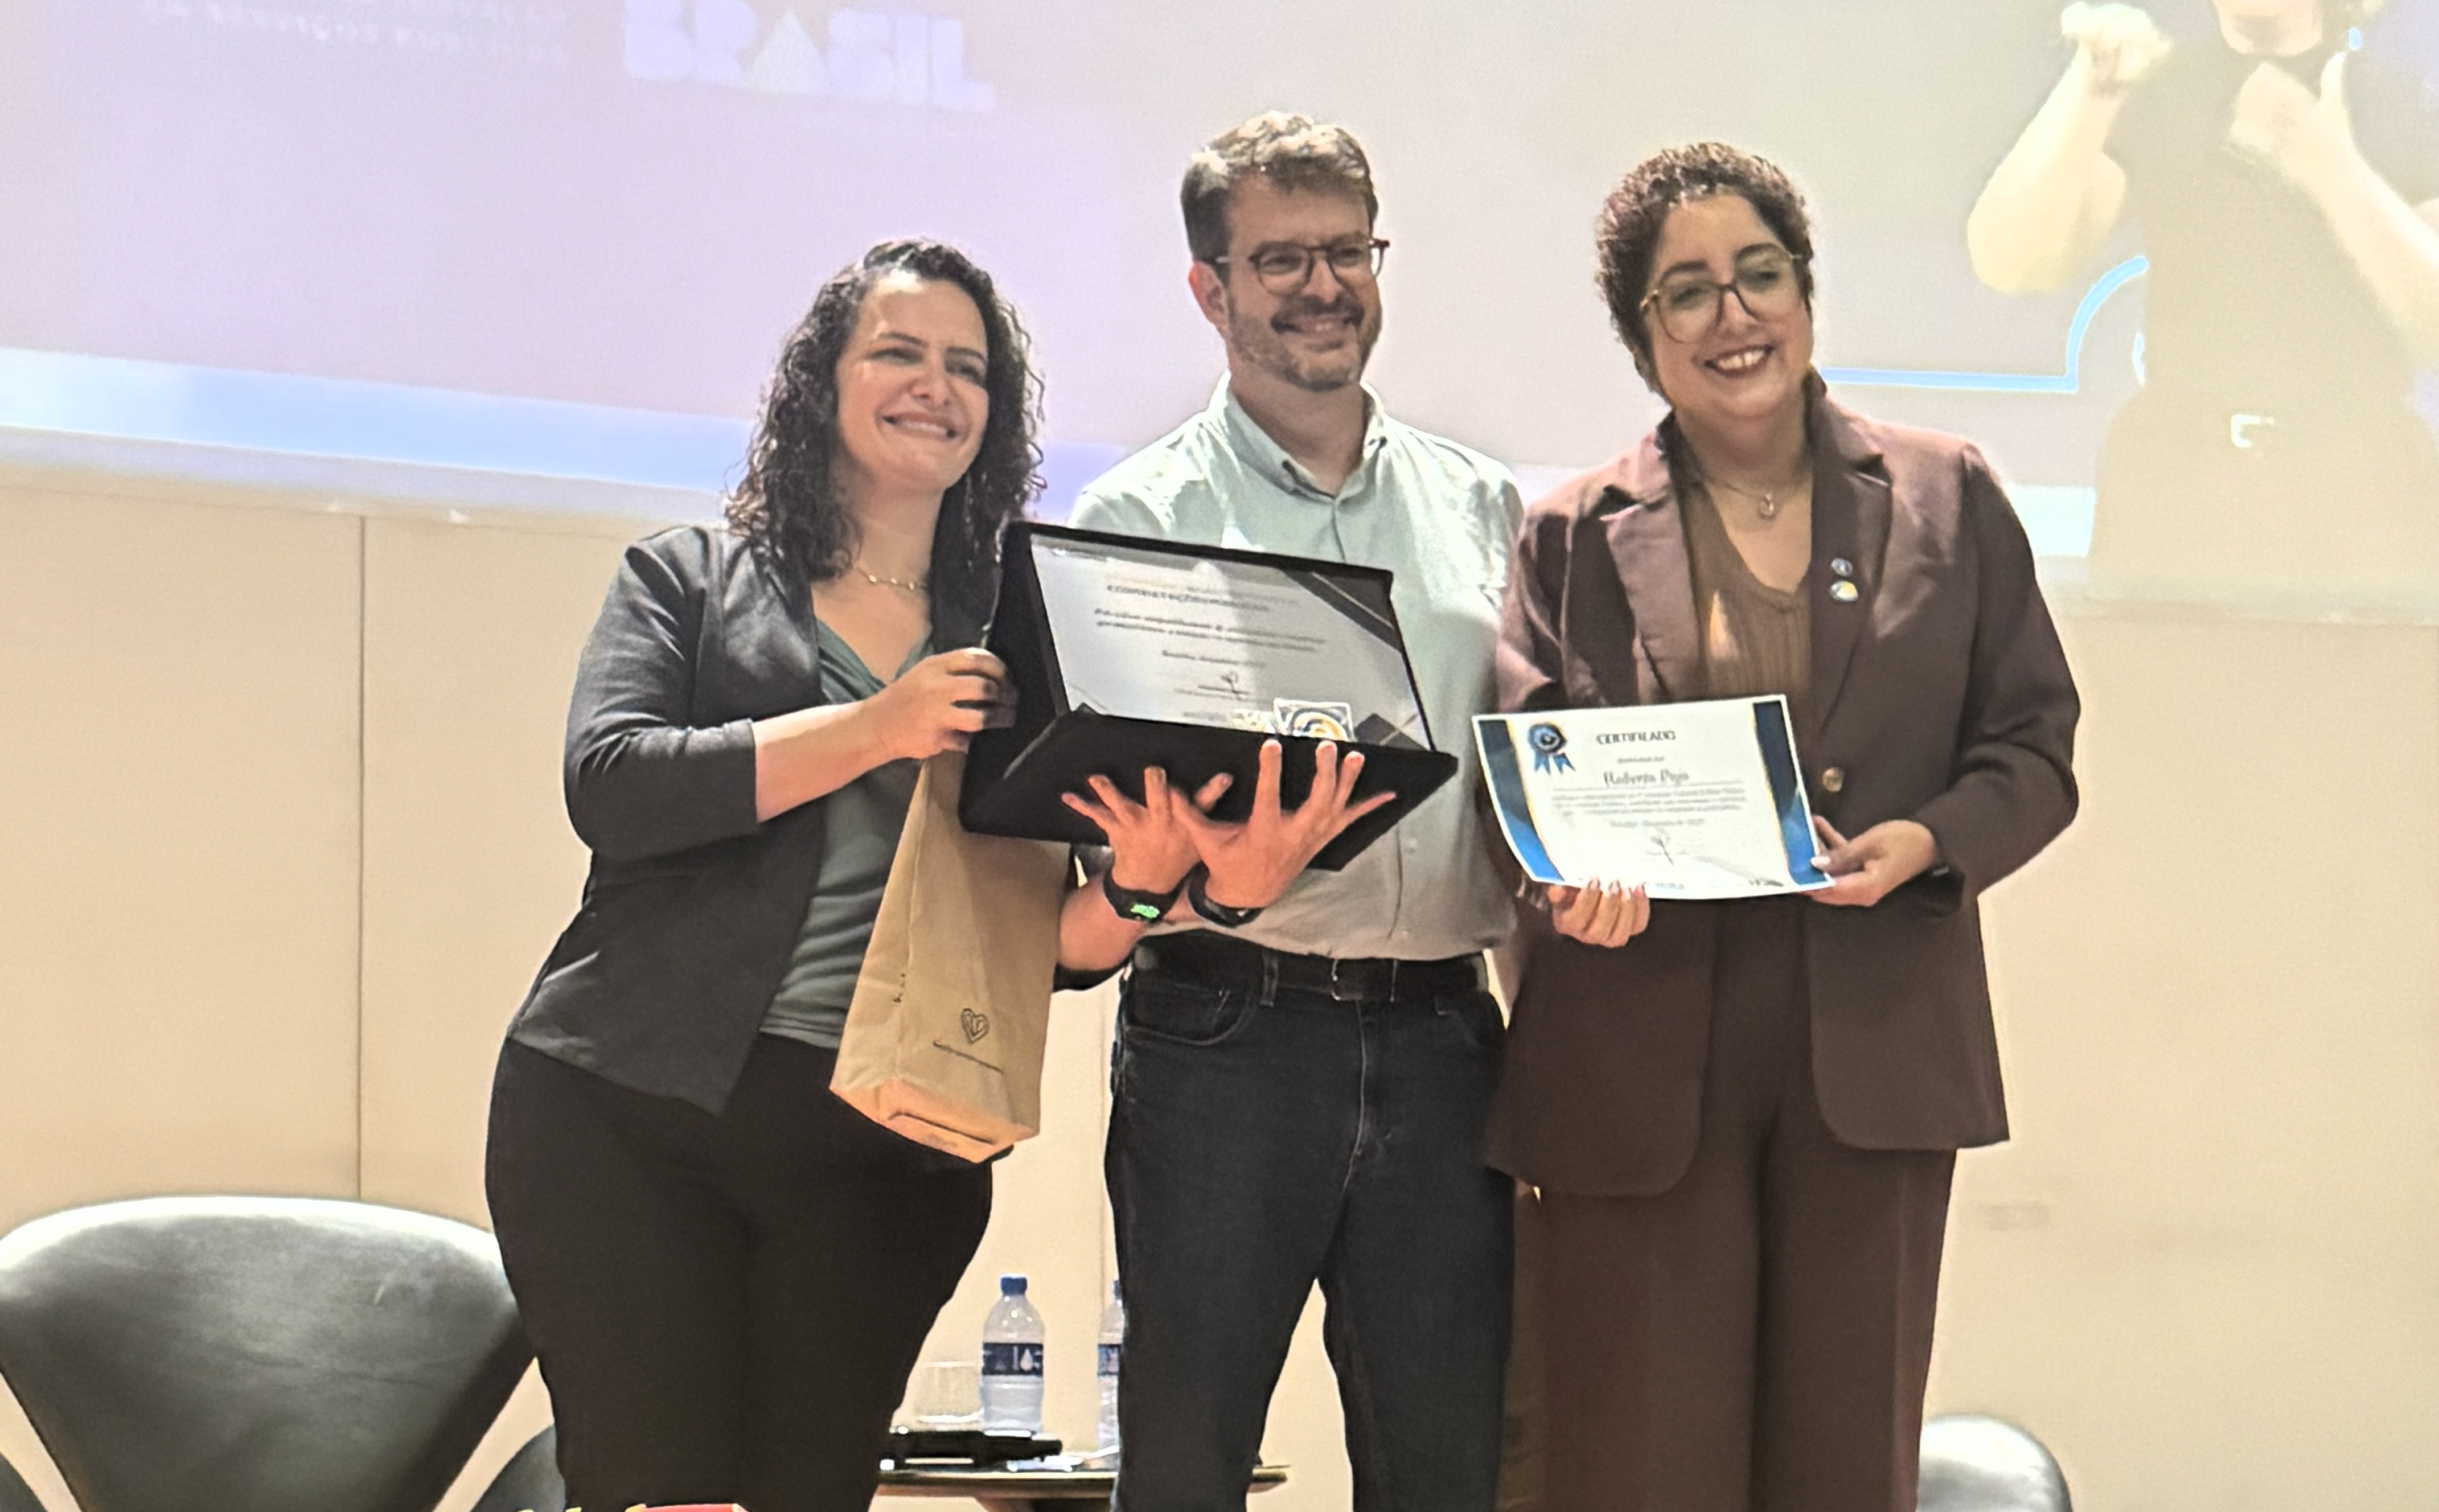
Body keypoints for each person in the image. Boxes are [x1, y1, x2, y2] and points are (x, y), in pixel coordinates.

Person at [1493, 143, 2080, 1512]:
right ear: (1643, 334)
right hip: (1638, 1056)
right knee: (1640, 1472)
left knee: (1842, 1466)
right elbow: (1525, 789)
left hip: (1873, 1048)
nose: (1734, 315)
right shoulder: (1570, 533)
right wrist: (1568, 884)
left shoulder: (1948, 495)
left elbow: (2033, 749)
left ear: (1806, 292)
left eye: (1760, 274)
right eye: (1687, 290)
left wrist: (1928, 840)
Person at [484, 239, 1038, 1512]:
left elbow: (1044, 932)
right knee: (663, 1497)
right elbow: (613, 786)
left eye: (967, 367)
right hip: (627, 1113)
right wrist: (877, 727)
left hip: (884, 1147)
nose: (935, 385)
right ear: (821, 384)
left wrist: (1157, 887)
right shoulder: (687, 575)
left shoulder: (1019, 627)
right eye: (897, 352)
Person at [1052, 112, 1523, 1512]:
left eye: (1347, 252)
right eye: (1280, 260)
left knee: (1445, 1472)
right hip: (1224, 1033)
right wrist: (1210, 878)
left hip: (1447, 1041)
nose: (1324, 287)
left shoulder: (1484, 505)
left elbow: (1528, 774)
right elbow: (1113, 827)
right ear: (1210, 289)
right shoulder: (1137, 519)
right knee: (1186, 1468)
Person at [1967, 0, 2439, 607]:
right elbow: (2011, 259)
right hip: (2176, 494)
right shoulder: (2158, 93)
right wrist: (2090, 90)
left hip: (2363, 501)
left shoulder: (2396, 106)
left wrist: (2329, 168)